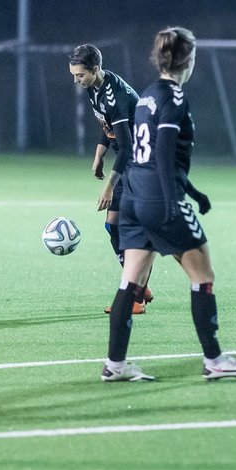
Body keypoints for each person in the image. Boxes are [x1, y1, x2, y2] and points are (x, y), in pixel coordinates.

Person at [101, 27, 236, 382]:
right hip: (160, 199)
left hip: (134, 199)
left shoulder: (147, 96)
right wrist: (174, 202)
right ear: (189, 59)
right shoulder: (174, 97)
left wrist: (195, 192)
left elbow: (147, 154)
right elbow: (165, 151)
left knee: (131, 280)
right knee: (203, 277)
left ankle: (115, 364)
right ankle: (215, 359)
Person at [68, 44, 150, 315]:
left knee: (133, 230)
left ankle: (135, 294)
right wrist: (99, 154)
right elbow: (109, 128)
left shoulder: (116, 97)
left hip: (143, 165)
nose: (76, 81)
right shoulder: (95, 88)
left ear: (94, 70)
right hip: (130, 163)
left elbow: (127, 148)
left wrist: (108, 187)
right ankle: (139, 282)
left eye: (80, 75)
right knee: (112, 226)